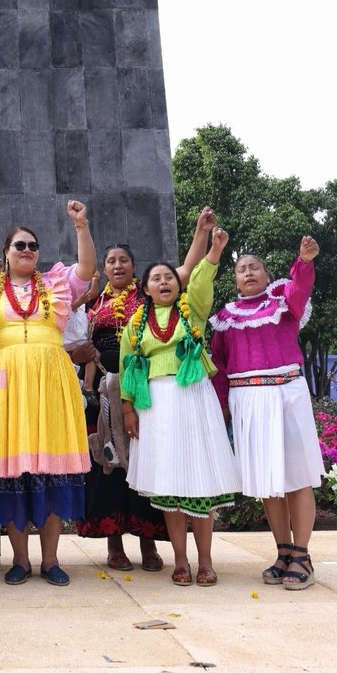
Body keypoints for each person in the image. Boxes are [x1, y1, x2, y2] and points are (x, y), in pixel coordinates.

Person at [75, 207, 218, 571]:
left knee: (149, 461)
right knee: (110, 466)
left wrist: (201, 232)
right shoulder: (92, 301)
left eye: (124, 260)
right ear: (103, 270)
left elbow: (184, 272)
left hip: (149, 392)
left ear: (137, 271)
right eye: (111, 261)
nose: (117, 265)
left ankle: (150, 546)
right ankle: (114, 545)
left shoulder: (149, 299)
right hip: (108, 392)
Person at [0, 200, 94, 587]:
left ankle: (50, 560)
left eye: (32, 246)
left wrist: (81, 226)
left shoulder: (55, 283)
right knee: (12, 472)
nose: (27, 251)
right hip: (4, 386)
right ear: (5, 253)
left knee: (51, 469)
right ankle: (19, 560)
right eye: (19, 245)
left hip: (49, 384)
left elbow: (86, 269)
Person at [120, 226, 241, 587]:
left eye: (169, 277)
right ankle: (181, 562)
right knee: (170, 486)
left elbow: (202, 283)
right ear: (145, 288)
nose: (164, 282)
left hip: (193, 401)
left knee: (199, 483)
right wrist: (128, 410)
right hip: (155, 407)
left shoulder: (193, 313)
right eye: (156, 278)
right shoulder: (135, 325)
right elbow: (128, 367)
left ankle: (206, 562)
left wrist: (214, 252)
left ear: (178, 285)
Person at [210, 235, 324, 590]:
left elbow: (300, 289)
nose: (248, 272)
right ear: (235, 279)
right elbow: (220, 367)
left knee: (297, 475)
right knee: (269, 481)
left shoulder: (283, 302)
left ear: (266, 273)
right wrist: (221, 411)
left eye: (254, 266)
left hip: (286, 393)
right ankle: (283, 551)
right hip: (247, 400)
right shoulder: (225, 319)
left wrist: (303, 262)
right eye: (241, 269)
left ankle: (302, 555)